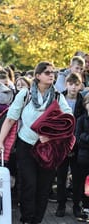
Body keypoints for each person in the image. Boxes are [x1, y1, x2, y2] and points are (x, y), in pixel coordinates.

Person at [0, 62, 73, 224]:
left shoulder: (58, 96)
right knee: (28, 185)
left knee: (43, 188)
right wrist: (0, 142)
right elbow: (10, 119)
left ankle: (36, 220)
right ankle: (27, 219)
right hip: (26, 146)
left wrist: (51, 136)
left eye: (52, 73)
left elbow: (68, 121)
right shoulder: (25, 94)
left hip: (48, 148)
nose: (51, 75)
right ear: (37, 76)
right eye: (47, 73)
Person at [55, 73, 87, 221]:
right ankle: (61, 205)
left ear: (80, 85)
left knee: (78, 178)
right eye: (71, 84)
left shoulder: (82, 102)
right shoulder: (58, 99)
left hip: (77, 146)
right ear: (66, 84)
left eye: (76, 84)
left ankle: (76, 205)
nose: (73, 87)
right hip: (61, 143)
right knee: (61, 177)